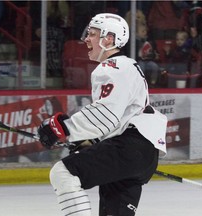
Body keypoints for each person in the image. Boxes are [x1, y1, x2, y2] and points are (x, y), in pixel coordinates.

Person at [37, 13, 167, 216]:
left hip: (129, 147)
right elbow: (118, 117)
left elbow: (106, 114)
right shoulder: (126, 66)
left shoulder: (112, 67)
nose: (86, 39)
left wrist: (64, 129)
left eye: (93, 34)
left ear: (109, 39)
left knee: (63, 173)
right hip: (142, 153)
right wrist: (91, 141)